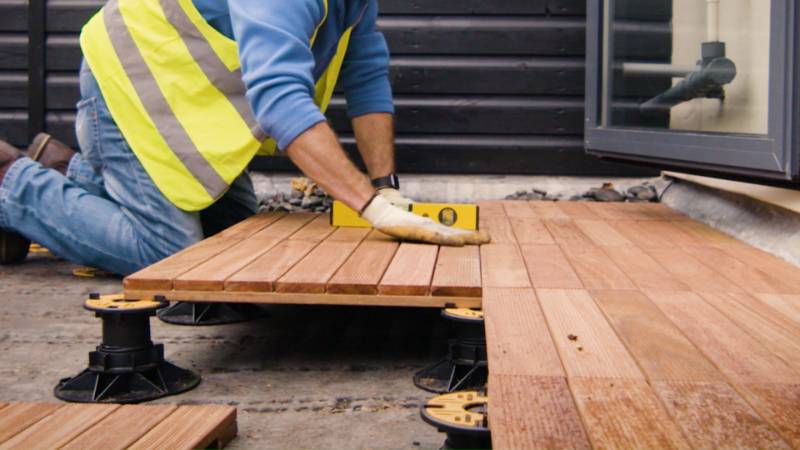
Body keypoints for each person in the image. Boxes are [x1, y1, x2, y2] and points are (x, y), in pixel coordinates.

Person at [0, 0, 489, 274]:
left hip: (184, 100)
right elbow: (280, 101)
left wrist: (386, 188)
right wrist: (372, 208)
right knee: (171, 256)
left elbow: (366, 74)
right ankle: (12, 183)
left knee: (232, 242)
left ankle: (66, 170)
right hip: (129, 84)